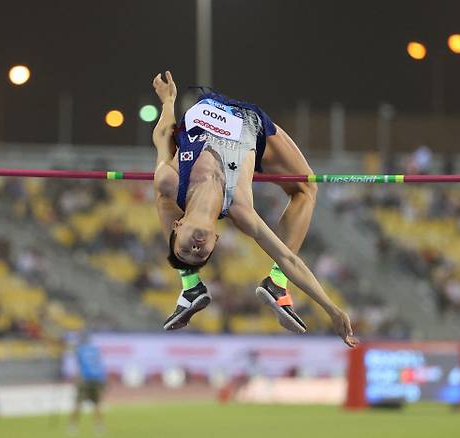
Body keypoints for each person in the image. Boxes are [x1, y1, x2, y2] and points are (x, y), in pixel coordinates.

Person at [151, 71, 357, 348]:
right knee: (307, 189)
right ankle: (276, 284)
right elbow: (290, 259)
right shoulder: (241, 210)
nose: (195, 247)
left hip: (204, 112)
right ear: (215, 240)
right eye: (201, 253)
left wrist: (168, 101)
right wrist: (332, 309)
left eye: (185, 248)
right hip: (250, 125)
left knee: (162, 191)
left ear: (178, 225)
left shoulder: (171, 180)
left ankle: (189, 285)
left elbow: (163, 134)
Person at [70, 335, 107, 435]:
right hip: (97, 379)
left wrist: (76, 380)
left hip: (85, 379)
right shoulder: (95, 350)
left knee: (77, 403)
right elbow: (99, 365)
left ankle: (73, 426)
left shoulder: (80, 350)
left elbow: (78, 366)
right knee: (97, 404)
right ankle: (99, 426)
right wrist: (103, 382)